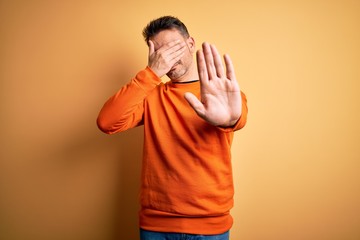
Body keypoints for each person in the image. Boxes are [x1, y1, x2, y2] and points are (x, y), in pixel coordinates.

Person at [97, 16, 248, 240]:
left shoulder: (222, 95)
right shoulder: (150, 96)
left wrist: (228, 119)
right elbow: (107, 122)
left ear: (190, 44)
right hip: (156, 225)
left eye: (172, 48)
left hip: (210, 226)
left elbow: (238, 117)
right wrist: (151, 73)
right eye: (158, 52)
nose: (166, 58)